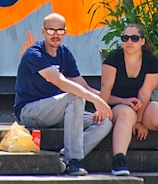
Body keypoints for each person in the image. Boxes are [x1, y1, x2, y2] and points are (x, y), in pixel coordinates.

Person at [14, 12, 114, 176]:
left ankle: (63, 159)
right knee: (74, 96)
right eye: (51, 30)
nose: (55, 34)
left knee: (104, 122)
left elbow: (84, 87)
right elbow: (61, 82)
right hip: (30, 112)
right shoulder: (34, 54)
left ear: (65, 32)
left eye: (59, 30)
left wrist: (117, 101)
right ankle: (75, 161)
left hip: (59, 111)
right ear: (43, 31)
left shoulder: (64, 54)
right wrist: (95, 100)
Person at [99, 23, 158, 176]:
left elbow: (145, 92)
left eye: (134, 38)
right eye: (125, 38)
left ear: (142, 41)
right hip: (117, 104)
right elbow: (106, 89)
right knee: (127, 114)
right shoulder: (113, 58)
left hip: (142, 105)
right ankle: (119, 161)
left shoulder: (150, 61)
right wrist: (103, 109)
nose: (129, 41)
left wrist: (140, 121)